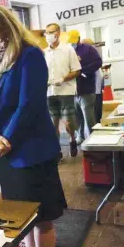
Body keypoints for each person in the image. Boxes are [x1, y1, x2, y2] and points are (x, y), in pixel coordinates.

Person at [0, 5, 67, 247]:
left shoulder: (30, 55)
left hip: (33, 153)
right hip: (8, 155)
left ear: (7, 31)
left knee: (42, 220)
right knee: (22, 219)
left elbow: (30, 105)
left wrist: (5, 141)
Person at [44, 23, 82, 160]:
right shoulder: (44, 52)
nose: (48, 35)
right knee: (52, 123)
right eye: (46, 33)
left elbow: (77, 70)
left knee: (69, 122)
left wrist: (63, 79)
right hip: (49, 92)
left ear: (58, 33)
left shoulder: (68, 50)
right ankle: (57, 151)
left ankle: (72, 139)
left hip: (66, 91)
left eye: (51, 32)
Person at [67, 30, 102, 143]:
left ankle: (92, 139)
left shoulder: (88, 49)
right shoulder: (67, 51)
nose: (72, 43)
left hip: (86, 89)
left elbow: (98, 63)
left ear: (78, 39)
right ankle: (80, 137)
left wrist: (83, 70)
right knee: (76, 118)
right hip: (72, 90)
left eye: (73, 41)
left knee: (89, 118)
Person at [82, 38, 106, 123]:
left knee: (98, 114)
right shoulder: (85, 61)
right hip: (91, 91)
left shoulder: (95, 60)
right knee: (92, 116)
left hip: (98, 91)